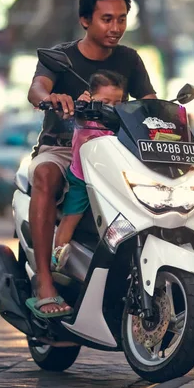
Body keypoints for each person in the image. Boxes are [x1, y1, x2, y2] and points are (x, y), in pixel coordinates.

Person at [26, 0, 156, 319]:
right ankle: (44, 281)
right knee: (45, 176)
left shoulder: (129, 59)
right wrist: (49, 98)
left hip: (114, 148)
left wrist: (169, 116)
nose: (116, 27)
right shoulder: (61, 57)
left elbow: (150, 103)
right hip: (65, 148)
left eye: (122, 19)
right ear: (85, 20)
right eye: (107, 19)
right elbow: (37, 88)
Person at [50, 70, 125, 274]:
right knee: (71, 217)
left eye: (117, 103)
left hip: (112, 180)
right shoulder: (85, 117)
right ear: (90, 98)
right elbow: (77, 119)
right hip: (83, 177)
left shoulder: (121, 122)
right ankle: (57, 257)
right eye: (105, 101)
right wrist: (80, 106)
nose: (111, 107)